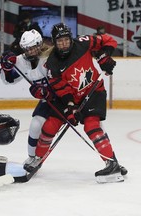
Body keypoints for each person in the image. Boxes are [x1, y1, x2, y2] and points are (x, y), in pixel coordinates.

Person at [24, 23, 127, 183]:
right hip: (70, 97)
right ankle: (38, 158)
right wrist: (70, 108)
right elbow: (62, 90)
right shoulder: (52, 63)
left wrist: (104, 56)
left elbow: (108, 40)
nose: (64, 44)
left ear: (70, 38)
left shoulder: (83, 42)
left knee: (92, 126)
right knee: (50, 125)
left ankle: (111, 163)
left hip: (93, 92)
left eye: (66, 40)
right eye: (59, 41)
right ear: (54, 42)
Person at [0, 29, 53, 171]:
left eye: (34, 47)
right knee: (35, 125)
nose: (31, 51)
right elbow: (9, 80)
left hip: (65, 96)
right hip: (48, 100)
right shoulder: (21, 61)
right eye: (27, 48)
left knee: (94, 123)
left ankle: (110, 158)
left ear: (40, 44)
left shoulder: (52, 55)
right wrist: (6, 67)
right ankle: (32, 157)